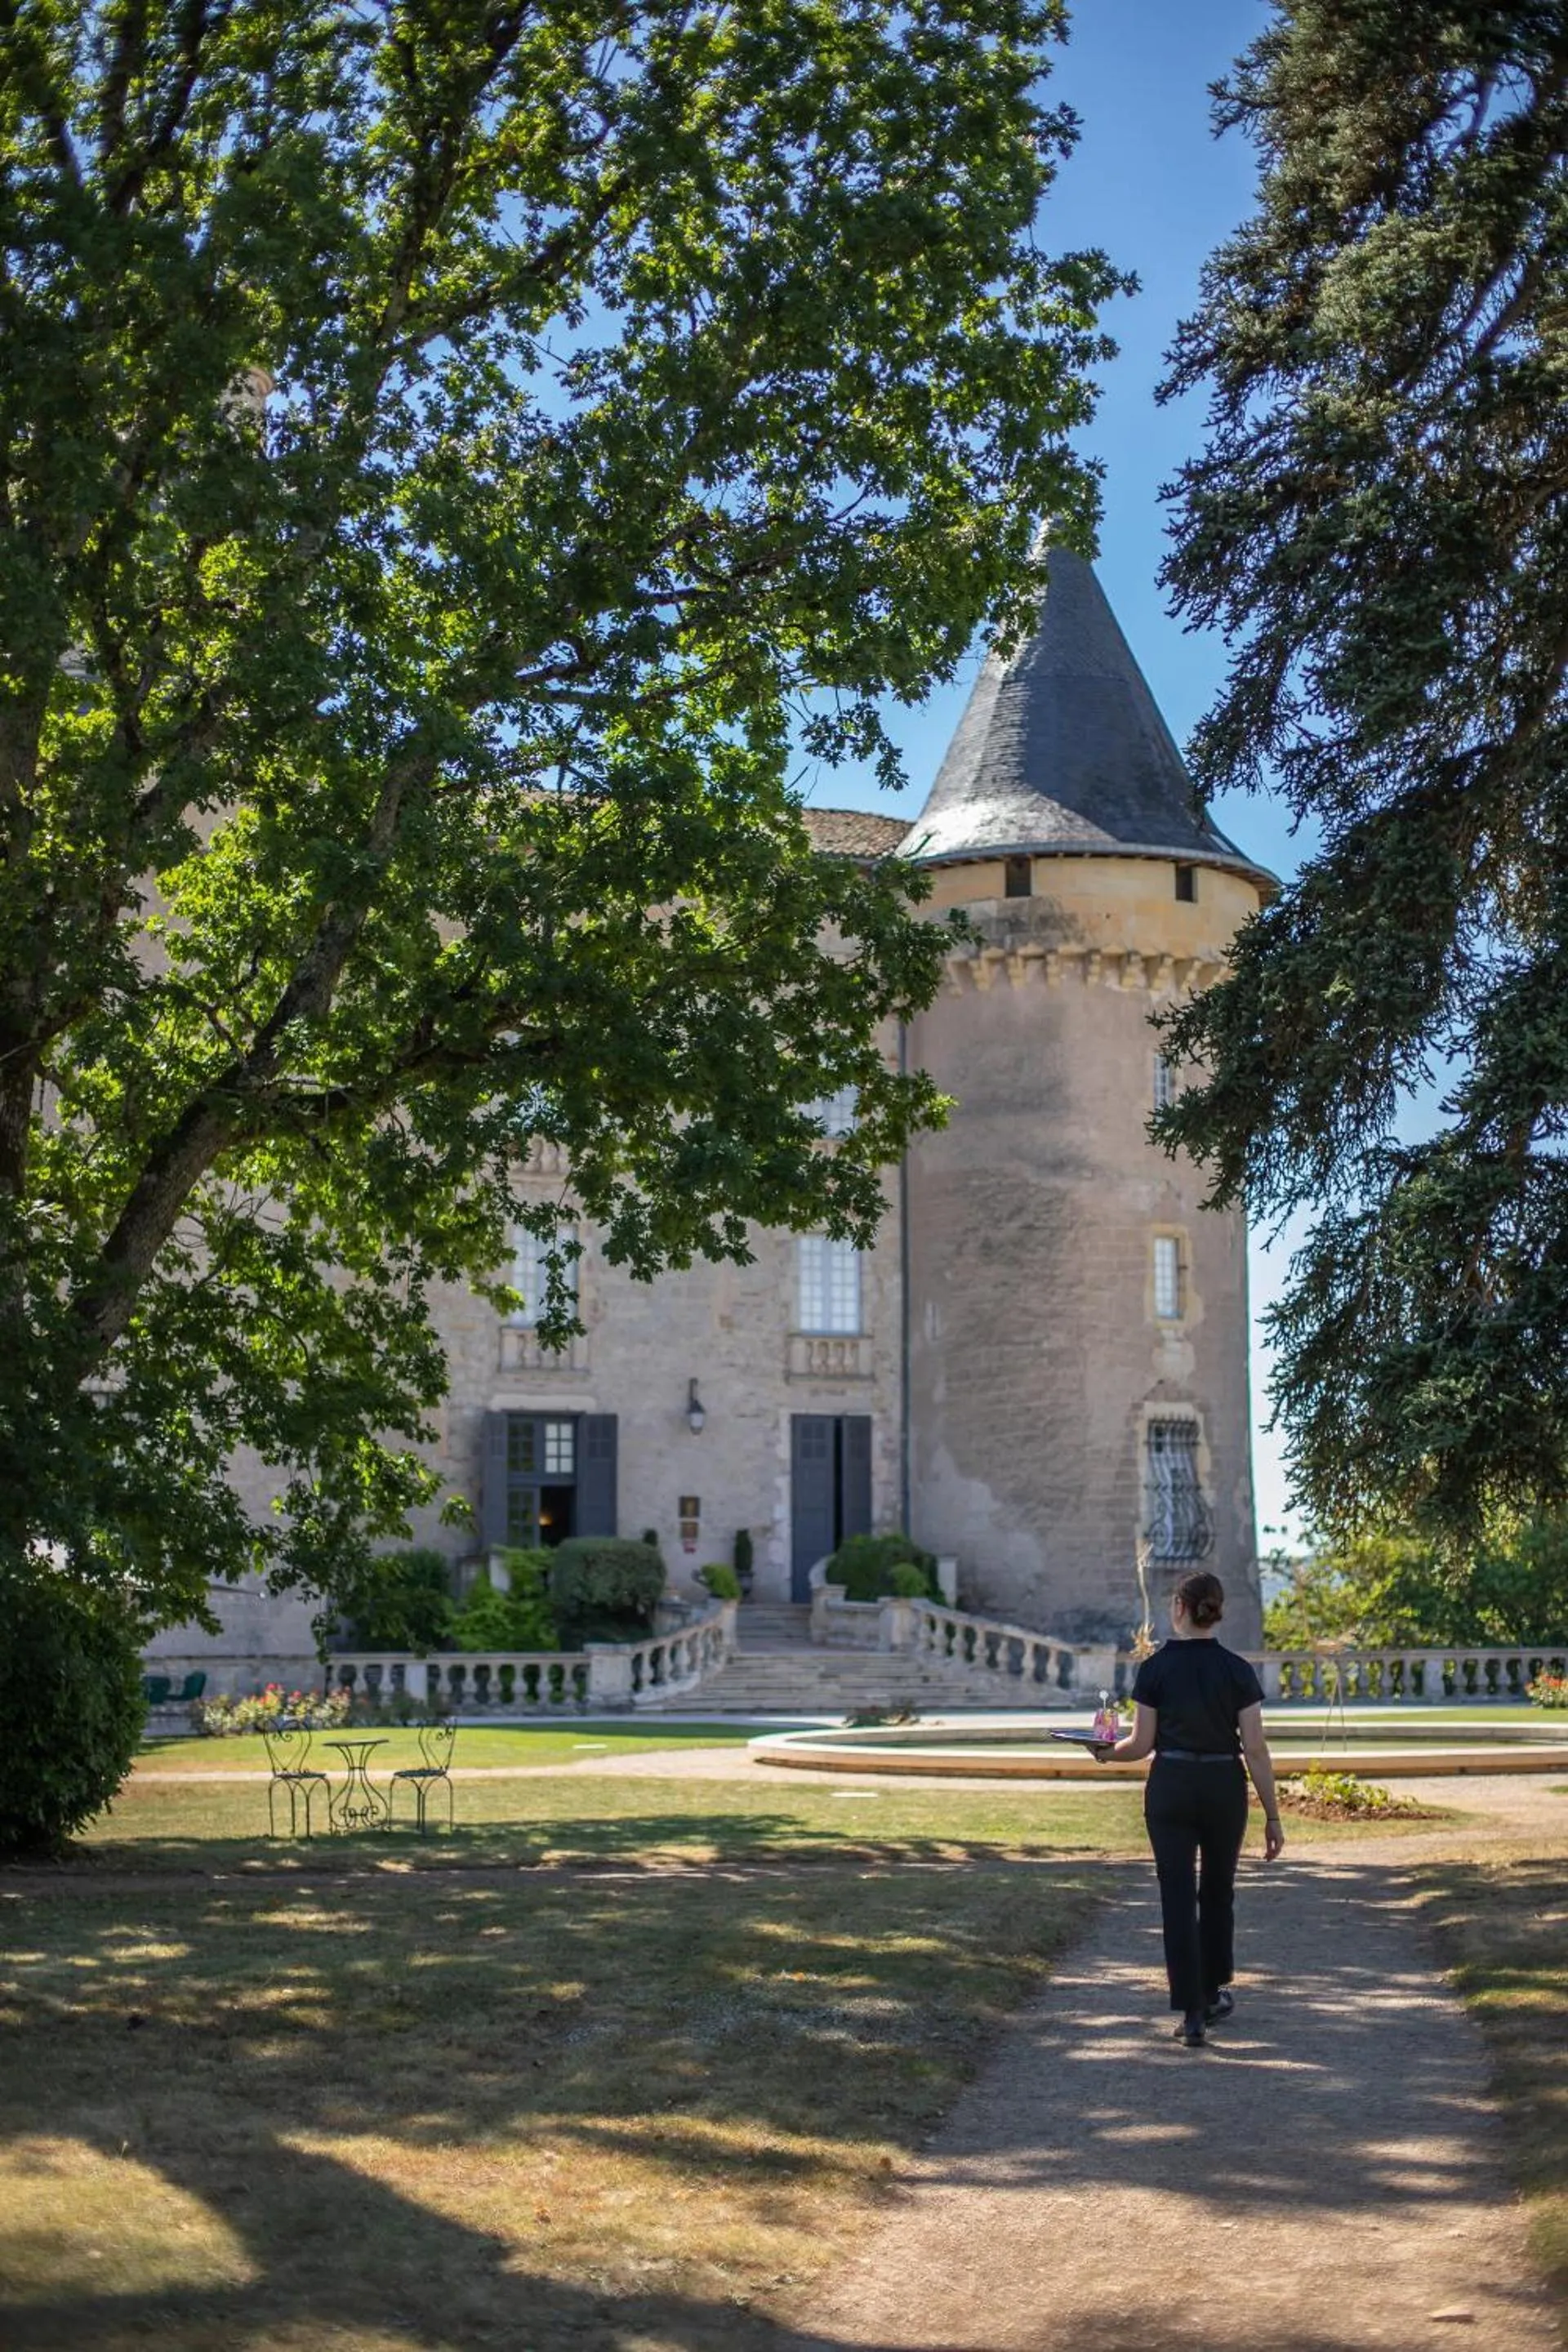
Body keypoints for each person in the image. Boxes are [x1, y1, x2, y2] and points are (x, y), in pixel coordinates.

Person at [1098, 1569, 1285, 2047]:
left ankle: (1193, 2012)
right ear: (1217, 1611)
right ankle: (1213, 1989)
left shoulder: (1156, 1669)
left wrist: (1103, 1752)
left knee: (1177, 1897)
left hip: (1172, 1786)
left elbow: (1140, 1745)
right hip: (1223, 1785)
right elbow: (1256, 1749)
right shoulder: (1237, 1670)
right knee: (1218, 1892)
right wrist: (1273, 1815)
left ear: (1179, 1608)